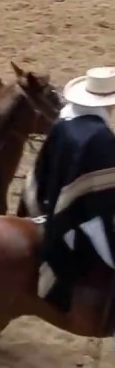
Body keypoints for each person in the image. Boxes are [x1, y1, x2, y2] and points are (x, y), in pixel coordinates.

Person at [32, 67, 115, 313]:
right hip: (85, 220)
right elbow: (105, 195)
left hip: (56, 207)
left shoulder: (63, 124)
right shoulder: (102, 137)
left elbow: (41, 170)